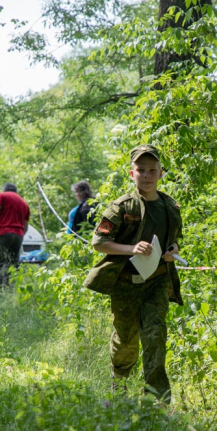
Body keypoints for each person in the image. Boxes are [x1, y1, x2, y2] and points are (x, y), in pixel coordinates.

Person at [83, 144, 183, 404]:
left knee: (155, 336)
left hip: (157, 281)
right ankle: (118, 390)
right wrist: (131, 248)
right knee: (126, 340)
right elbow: (98, 242)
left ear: (161, 173)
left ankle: (156, 401)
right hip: (125, 283)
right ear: (132, 174)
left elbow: (175, 240)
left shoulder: (171, 207)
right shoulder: (122, 206)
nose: (147, 175)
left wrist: (173, 250)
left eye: (152, 170)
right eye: (141, 170)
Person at [0, 182, 30, 292]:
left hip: (2, 234)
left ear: (4, 190)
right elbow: (26, 226)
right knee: (12, 266)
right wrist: (19, 235)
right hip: (18, 236)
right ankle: (9, 293)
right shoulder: (24, 203)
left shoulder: (2, 196)